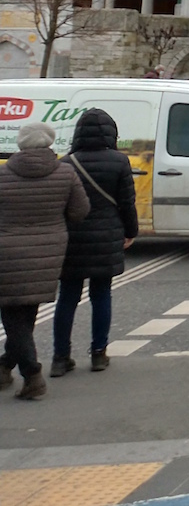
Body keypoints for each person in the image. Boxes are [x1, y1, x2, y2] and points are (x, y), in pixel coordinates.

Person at [0, 123, 89, 400]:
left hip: (7, 252)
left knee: (12, 313)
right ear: (49, 143)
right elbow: (80, 211)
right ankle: (4, 367)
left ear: (20, 144)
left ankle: (33, 375)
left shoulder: (3, 174)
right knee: (26, 311)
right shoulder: (65, 173)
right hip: (50, 250)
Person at [52, 110, 138, 378]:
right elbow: (127, 202)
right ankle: (99, 353)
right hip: (107, 235)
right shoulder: (119, 162)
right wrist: (130, 231)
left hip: (73, 238)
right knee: (101, 295)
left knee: (67, 297)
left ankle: (60, 357)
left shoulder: (67, 163)